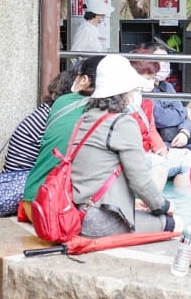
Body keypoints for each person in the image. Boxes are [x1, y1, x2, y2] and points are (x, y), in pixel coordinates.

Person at [71, 55, 175, 237]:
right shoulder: (122, 123)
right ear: (124, 91)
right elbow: (140, 181)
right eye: (133, 89)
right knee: (174, 223)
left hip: (78, 214)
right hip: (103, 220)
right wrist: (164, 206)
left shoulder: (84, 118)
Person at [20, 55, 103, 221]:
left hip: (31, 201)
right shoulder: (104, 113)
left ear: (84, 80)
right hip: (57, 209)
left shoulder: (61, 102)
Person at [129, 50, 191, 198]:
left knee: (189, 158)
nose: (151, 82)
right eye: (147, 77)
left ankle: (179, 202)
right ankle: (151, 206)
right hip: (133, 155)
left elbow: (151, 128)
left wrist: (160, 147)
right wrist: (184, 113)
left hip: (152, 150)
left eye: (153, 78)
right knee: (158, 165)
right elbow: (163, 119)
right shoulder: (121, 100)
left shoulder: (148, 98)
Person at [2, 69, 78, 172]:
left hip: (18, 178)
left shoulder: (44, 112)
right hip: (23, 182)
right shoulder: (51, 118)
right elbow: (55, 159)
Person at [139, 43, 191, 152]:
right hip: (159, 144)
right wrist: (185, 111)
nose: (164, 64)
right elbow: (161, 118)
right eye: (160, 60)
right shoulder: (144, 89)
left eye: (166, 60)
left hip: (179, 139)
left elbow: (181, 113)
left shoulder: (168, 86)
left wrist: (184, 132)